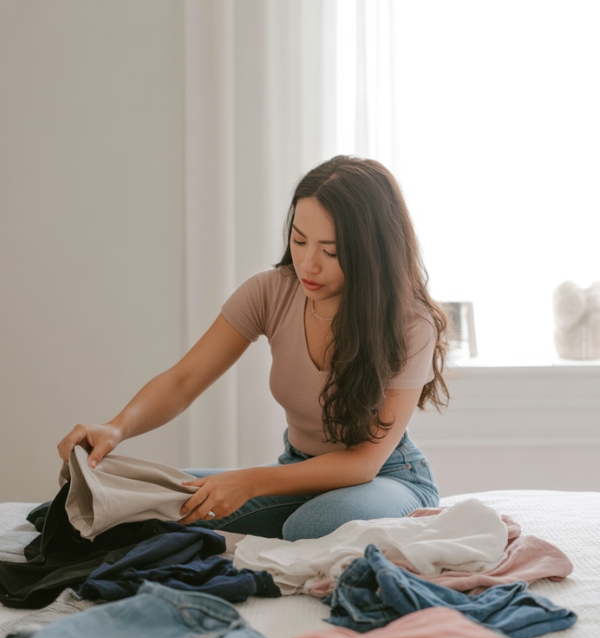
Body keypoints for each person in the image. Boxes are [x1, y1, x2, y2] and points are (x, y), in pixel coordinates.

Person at [58, 156, 449, 541]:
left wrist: (251, 482)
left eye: (330, 251)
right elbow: (183, 380)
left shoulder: (410, 323)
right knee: (113, 499)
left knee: (309, 526)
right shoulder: (271, 292)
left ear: (371, 251)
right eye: (299, 240)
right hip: (295, 472)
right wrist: (116, 427)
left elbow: (364, 462)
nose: (307, 264)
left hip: (386, 477)